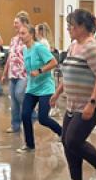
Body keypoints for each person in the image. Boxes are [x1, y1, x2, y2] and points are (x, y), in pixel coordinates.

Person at [50, 9, 96, 180]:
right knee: (66, 140)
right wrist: (57, 92)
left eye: (72, 25)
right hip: (73, 103)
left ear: (83, 27)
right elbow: (67, 72)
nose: (69, 29)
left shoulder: (92, 48)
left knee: (73, 140)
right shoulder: (73, 46)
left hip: (90, 105)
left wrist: (91, 104)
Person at [17, 25, 62, 153]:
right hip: (32, 88)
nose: (21, 36)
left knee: (43, 118)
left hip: (45, 89)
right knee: (25, 115)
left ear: (31, 34)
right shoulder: (25, 49)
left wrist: (40, 70)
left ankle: (62, 132)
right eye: (19, 33)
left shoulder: (39, 48)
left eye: (23, 33)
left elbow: (54, 62)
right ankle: (29, 145)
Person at [2, 13, 29, 133]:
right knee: (13, 101)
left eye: (16, 22)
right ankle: (15, 125)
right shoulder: (13, 40)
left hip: (23, 73)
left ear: (23, 24)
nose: (14, 25)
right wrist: (4, 73)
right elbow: (10, 57)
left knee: (19, 94)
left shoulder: (27, 39)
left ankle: (31, 113)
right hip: (12, 73)